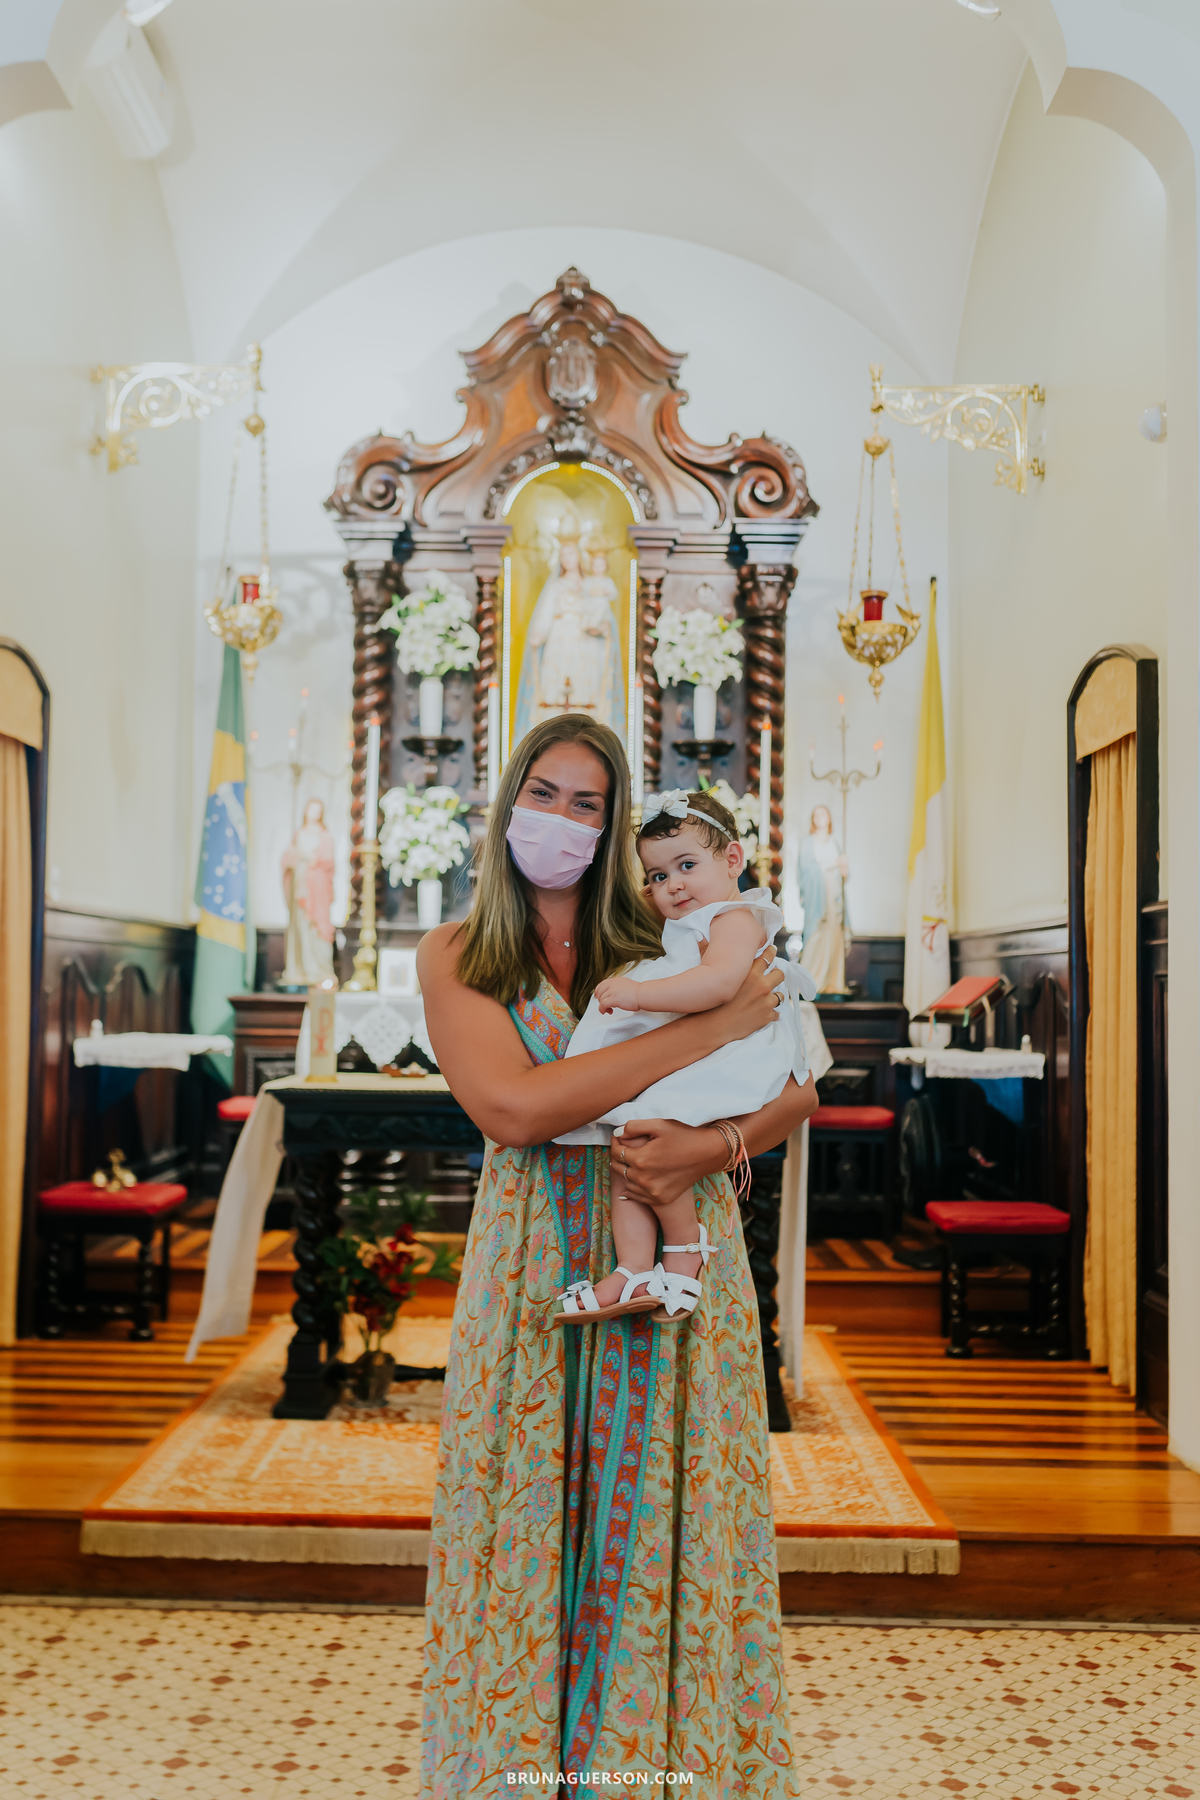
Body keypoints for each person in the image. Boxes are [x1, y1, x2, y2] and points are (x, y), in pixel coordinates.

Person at [416, 713, 815, 1796]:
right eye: (543, 794)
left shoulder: (674, 923)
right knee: (528, 1501)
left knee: (663, 1502)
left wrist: (713, 1144)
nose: (562, 819)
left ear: (615, 825)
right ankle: (518, 1767)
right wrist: (705, 1031)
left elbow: (798, 1082)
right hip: (535, 1259)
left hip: (678, 1235)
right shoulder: (456, 952)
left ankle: (653, 1766)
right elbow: (513, 1109)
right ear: (509, 803)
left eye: (588, 804)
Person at [552, 787, 815, 1325]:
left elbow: (717, 985)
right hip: (706, 1046)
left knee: (650, 1134)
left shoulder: (735, 918)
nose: (672, 884)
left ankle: (684, 1251)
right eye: (657, 875)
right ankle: (633, 1270)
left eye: (687, 865)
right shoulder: (691, 920)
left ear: (733, 859)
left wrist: (638, 994)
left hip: (734, 1054)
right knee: (628, 1143)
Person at [799, 802, 851, 994]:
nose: (820, 818)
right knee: (817, 936)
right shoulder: (807, 844)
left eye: (823, 814)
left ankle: (832, 982)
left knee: (834, 935)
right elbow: (805, 872)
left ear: (829, 819)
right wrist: (831, 865)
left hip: (834, 896)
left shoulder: (834, 843)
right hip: (817, 899)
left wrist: (844, 870)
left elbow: (843, 875)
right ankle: (811, 982)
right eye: (817, 815)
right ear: (813, 820)